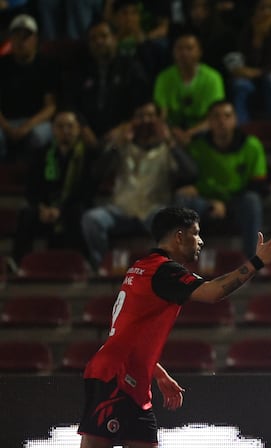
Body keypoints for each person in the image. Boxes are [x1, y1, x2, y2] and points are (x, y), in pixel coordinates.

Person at [26, 207, 271, 448]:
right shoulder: (165, 271)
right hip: (116, 379)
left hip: (131, 378)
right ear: (179, 235)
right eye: (196, 233)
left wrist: (157, 373)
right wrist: (257, 262)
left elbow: (127, 328)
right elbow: (214, 293)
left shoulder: (142, 268)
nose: (201, 241)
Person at [80, 100, 199, 270]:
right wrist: (117, 145)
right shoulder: (122, 146)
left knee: (168, 224)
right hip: (121, 210)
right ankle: (102, 266)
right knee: (92, 219)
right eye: (140, 116)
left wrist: (170, 142)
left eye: (150, 116)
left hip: (153, 210)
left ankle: (160, 270)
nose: (145, 121)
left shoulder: (167, 148)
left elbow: (191, 173)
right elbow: (97, 173)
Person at [175, 100, 268, 259]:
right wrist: (211, 201)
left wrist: (224, 203)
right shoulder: (197, 148)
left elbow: (258, 185)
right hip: (206, 203)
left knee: (252, 200)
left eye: (227, 116)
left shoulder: (252, 146)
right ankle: (181, 260)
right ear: (209, 122)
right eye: (216, 117)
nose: (222, 121)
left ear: (235, 120)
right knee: (181, 199)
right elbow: (187, 181)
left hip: (237, 201)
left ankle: (253, 261)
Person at [13, 109, 98, 265]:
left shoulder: (87, 156)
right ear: (53, 130)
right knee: (26, 214)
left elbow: (86, 191)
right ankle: (18, 264)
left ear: (78, 129)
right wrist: (41, 208)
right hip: (45, 210)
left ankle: (85, 263)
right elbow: (31, 188)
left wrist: (60, 210)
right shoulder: (42, 154)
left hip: (71, 209)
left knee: (78, 214)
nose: (65, 131)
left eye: (70, 126)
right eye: (60, 126)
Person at [62, 18, 151, 142]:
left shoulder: (130, 67)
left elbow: (143, 104)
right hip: (86, 134)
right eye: (93, 38)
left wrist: (125, 127)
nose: (99, 41)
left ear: (114, 38)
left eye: (104, 36)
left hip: (123, 134)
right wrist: (83, 127)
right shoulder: (80, 69)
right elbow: (70, 103)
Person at [0, 14, 58, 161]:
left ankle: (35, 175)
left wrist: (26, 127)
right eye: (17, 36)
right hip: (6, 122)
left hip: (35, 122)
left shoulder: (47, 65)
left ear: (35, 39)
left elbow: (50, 107)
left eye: (26, 37)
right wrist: (7, 128)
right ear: (11, 39)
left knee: (40, 136)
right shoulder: (1, 65)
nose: (21, 41)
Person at [153, 30, 226, 145]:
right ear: (173, 53)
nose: (184, 53)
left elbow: (214, 116)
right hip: (173, 131)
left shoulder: (213, 78)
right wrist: (172, 131)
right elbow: (162, 115)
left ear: (199, 52)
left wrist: (190, 133)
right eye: (180, 49)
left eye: (189, 48)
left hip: (203, 130)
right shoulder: (163, 78)